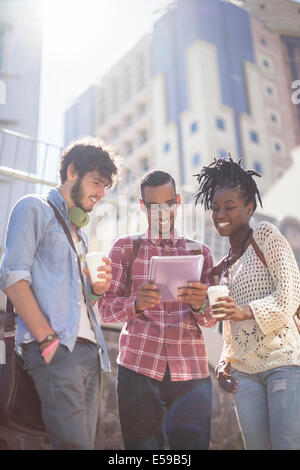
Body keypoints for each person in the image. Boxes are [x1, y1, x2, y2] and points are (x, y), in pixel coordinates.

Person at [0, 137, 120, 450]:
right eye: (96, 182)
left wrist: (95, 291)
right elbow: (12, 277)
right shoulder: (33, 208)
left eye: (105, 186)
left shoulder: (80, 235)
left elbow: (75, 300)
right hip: (58, 349)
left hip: (92, 355)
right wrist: (47, 339)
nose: (101, 193)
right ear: (71, 172)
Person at [98, 169, 216, 450]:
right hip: (138, 369)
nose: (162, 214)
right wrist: (135, 304)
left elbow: (211, 319)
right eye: (153, 207)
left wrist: (199, 304)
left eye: (168, 206)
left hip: (192, 373)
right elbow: (102, 310)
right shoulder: (125, 248)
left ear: (177, 202)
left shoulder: (200, 252)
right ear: (142, 206)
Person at [195, 156, 300, 450]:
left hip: (284, 363)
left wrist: (244, 311)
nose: (220, 214)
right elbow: (228, 326)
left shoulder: (266, 236)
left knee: (287, 445)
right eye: (215, 208)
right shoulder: (220, 268)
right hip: (244, 373)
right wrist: (225, 361)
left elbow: (290, 295)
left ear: (249, 208)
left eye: (229, 207)